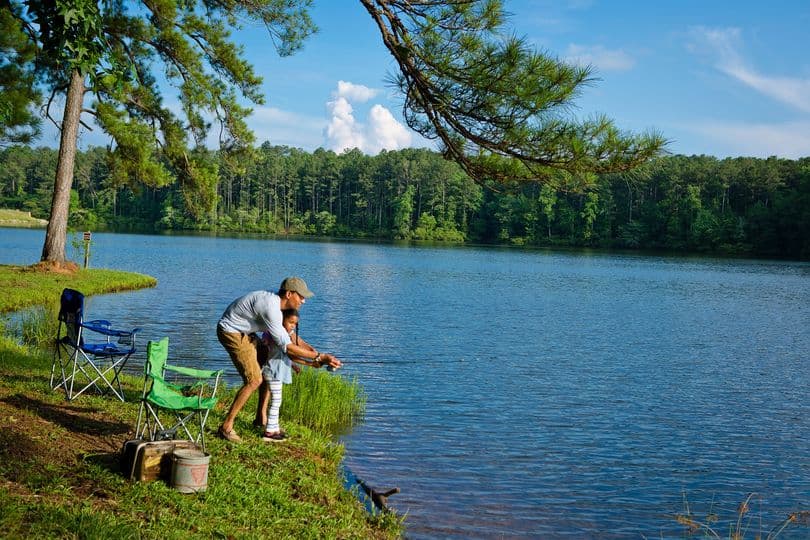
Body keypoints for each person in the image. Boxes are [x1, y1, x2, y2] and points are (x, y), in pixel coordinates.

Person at [216, 277, 341, 442]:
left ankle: (261, 419)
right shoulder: (271, 308)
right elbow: (287, 347)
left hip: (247, 332)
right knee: (254, 380)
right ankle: (226, 427)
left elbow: (290, 336)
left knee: (268, 368)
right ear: (289, 294)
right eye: (301, 296)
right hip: (231, 331)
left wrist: (315, 353)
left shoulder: (280, 307)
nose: (303, 301)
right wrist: (318, 357)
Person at [258, 308, 333, 442]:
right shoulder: (279, 336)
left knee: (277, 400)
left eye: (295, 323)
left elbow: (285, 355)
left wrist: (294, 365)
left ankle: (274, 428)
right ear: (281, 321)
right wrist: (312, 362)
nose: (292, 325)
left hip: (276, 370)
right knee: (276, 400)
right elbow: (291, 354)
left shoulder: (284, 334)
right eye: (290, 322)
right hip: (273, 371)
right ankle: (269, 431)